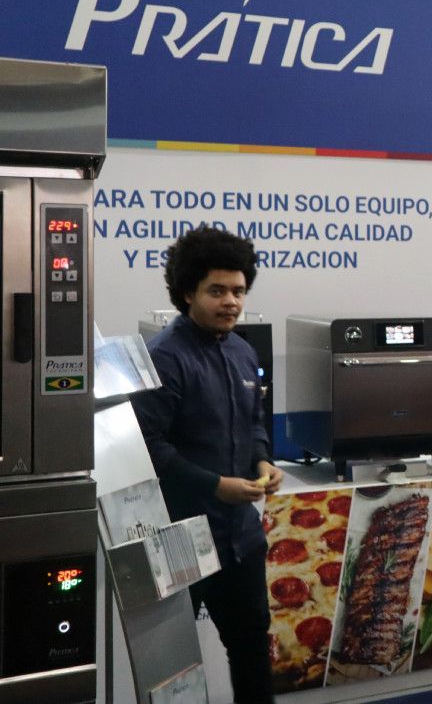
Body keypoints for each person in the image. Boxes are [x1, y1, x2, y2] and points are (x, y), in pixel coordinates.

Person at [131, 227, 282, 704]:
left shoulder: (242, 352)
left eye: (238, 291)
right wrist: (216, 485)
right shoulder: (164, 358)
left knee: (252, 652)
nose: (231, 302)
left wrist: (263, 460)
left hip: (241, 537)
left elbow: (256, 421)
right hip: (180, 539)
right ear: (187, 293)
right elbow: (150, 448)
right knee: (173, 671)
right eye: (217, 291)